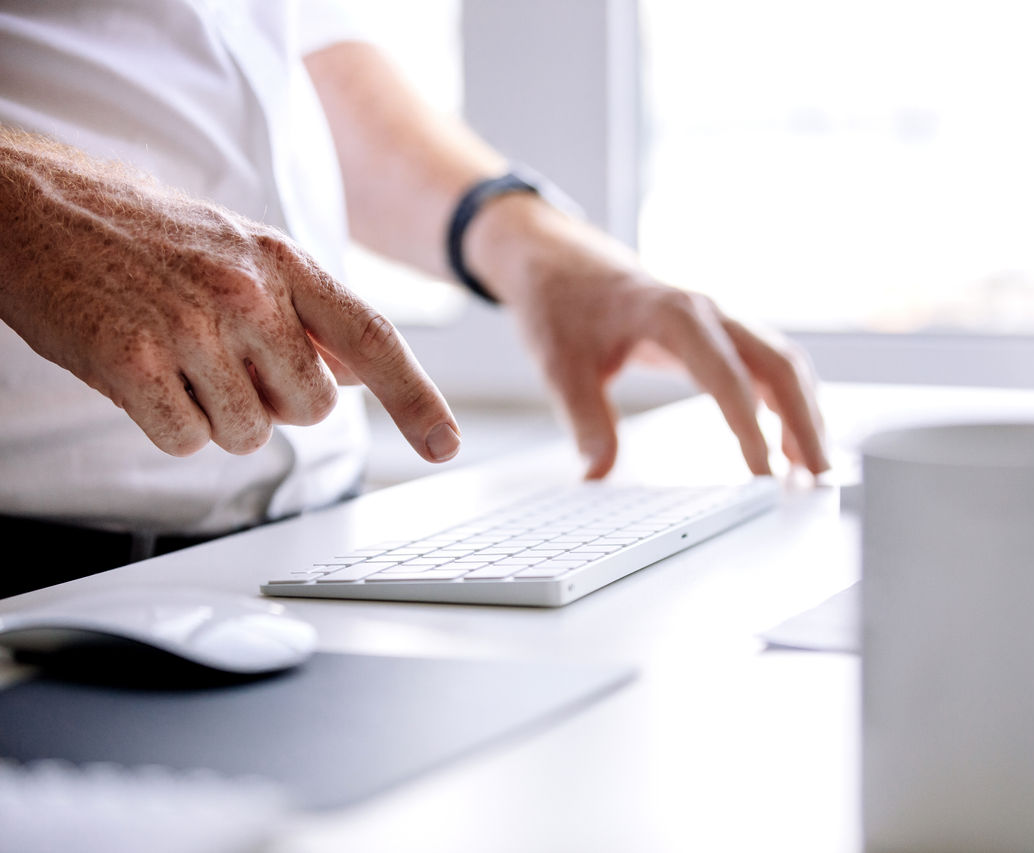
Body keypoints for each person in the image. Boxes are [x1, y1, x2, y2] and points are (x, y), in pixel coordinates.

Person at [0, 1, 828, 594]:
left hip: (302, 551)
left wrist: (530, 245)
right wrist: (24, 206)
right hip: (35, 568)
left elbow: (286, 57)